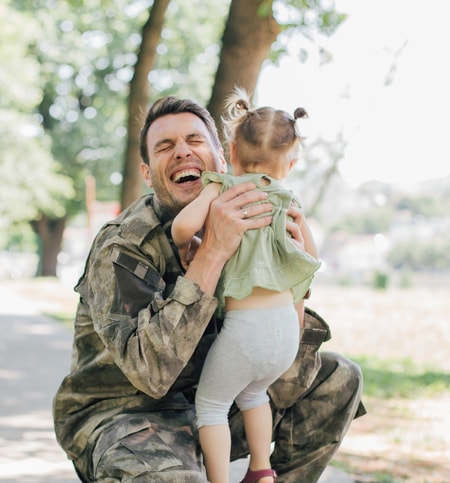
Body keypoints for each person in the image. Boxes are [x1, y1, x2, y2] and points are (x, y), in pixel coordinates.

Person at [52, 95, 365, 483]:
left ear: (223, 158)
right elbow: (150, 374)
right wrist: (212, 253)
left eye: (195, 141)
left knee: (337, 378)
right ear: (148, 175)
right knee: (169, 476)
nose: (182, 151)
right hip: (129, 413)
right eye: (166, 146)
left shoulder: (259, 213)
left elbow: (277, 355)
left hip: (217, 391)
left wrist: (290, 271)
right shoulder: (124, 247)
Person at [171, 89, 320, 483]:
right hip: (285, 331)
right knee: (254, 395)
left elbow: (182, 227)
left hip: (245, 330)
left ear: (230, 151)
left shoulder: (222, 187)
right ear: (290, 162)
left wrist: (191, 244)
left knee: (212, 405)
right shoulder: (288, 199)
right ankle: (261, 470)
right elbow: (310, 257)